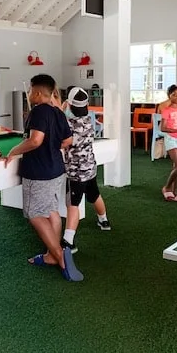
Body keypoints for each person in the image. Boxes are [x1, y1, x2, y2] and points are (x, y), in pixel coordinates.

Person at [4, 74, 82, 282]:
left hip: (39, 172)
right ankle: (50, 255)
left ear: (37, 93)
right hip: (57, 168)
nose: (29, 94)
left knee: (34, 213)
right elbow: (68, 139)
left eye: (30, 91)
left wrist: (14, 150)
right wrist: (52, 148)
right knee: (50, 210)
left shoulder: (38, 111)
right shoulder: (58, 111)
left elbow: (35, 140)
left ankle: (59, 257)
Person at [61, 87, 111, 253]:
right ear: (87, 105)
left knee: (73, 204)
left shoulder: (68, 124)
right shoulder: (88, 120)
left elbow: (63, 142)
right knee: (94, 194)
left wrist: (60, 110)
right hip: (90, 168)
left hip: (76, 173)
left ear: (68, 104)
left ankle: (68, 241)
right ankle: (104, 221)